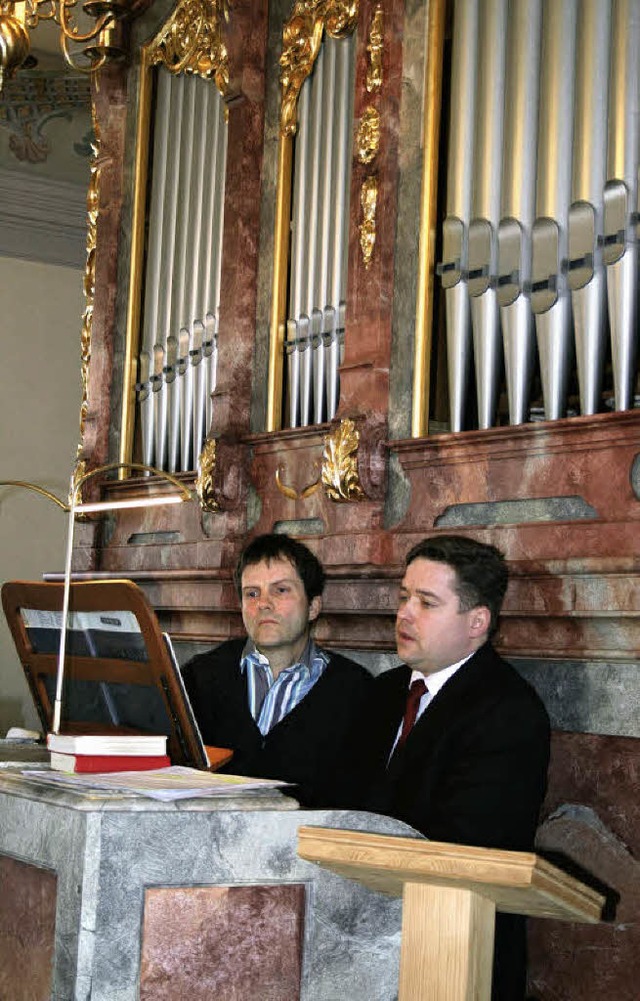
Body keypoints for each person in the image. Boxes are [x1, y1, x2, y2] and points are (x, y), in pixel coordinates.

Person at [362, 534, 551, 1001]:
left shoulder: (507, 709)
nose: (404, 613)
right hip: (366, 944)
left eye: (426, 602)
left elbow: (469, 843)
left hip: (454, 949)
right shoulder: (382, 692)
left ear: (477, 621)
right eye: (404, 596)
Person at [181, 533, 372, 807]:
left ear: (313, 606)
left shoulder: (357, 691)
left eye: (280, 590)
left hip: (305, 845)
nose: (263, 603)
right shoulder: (199, 677)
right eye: (252, 593)